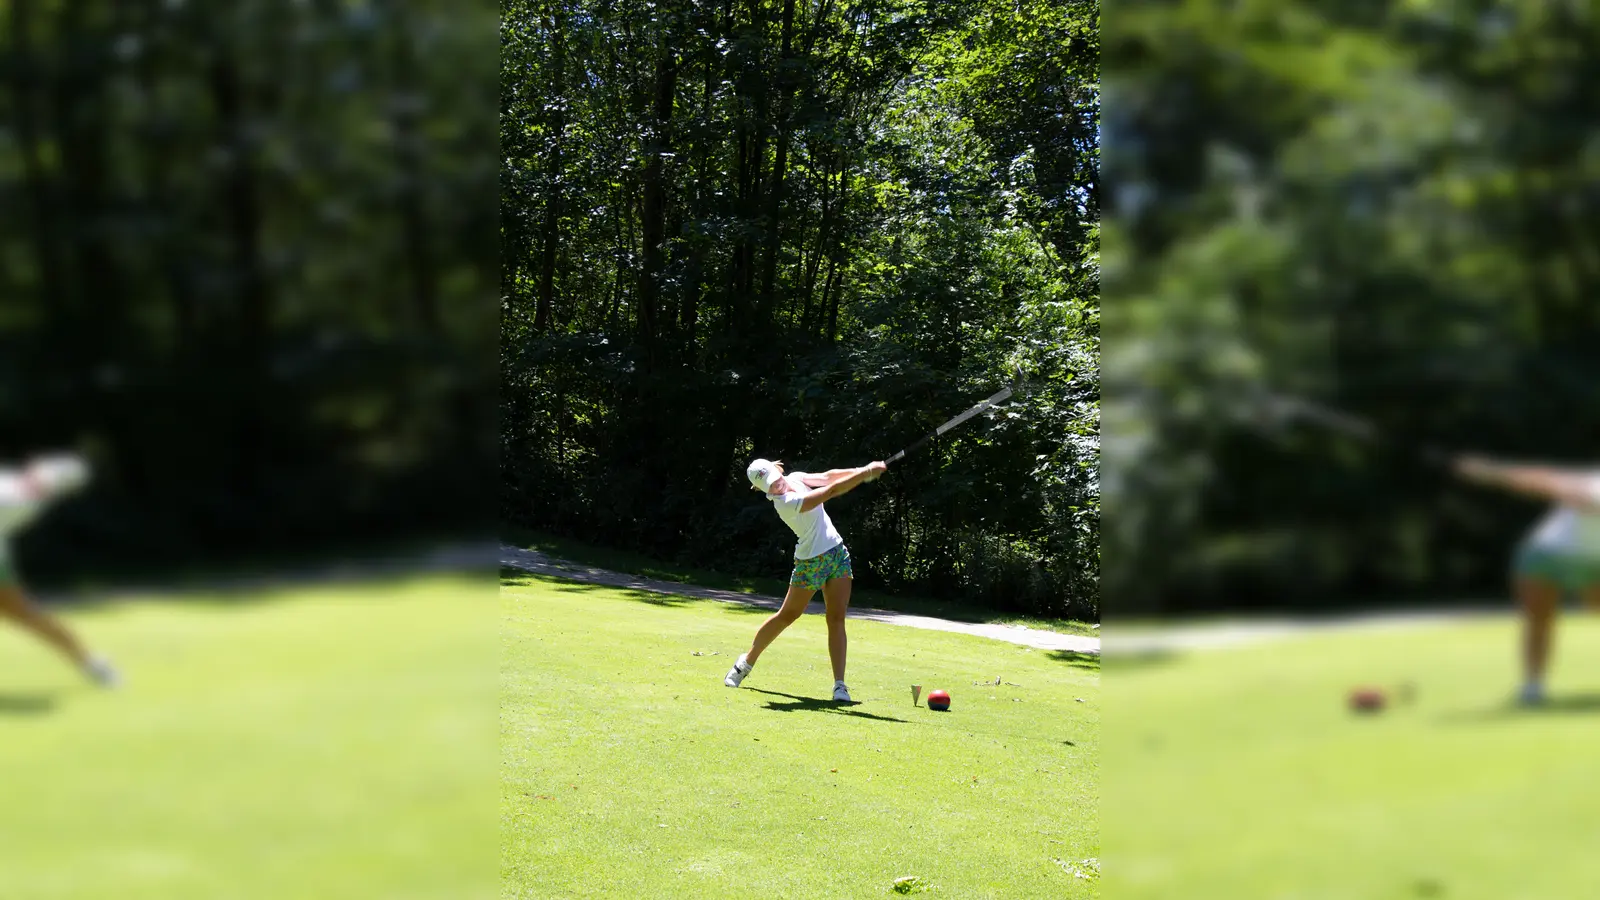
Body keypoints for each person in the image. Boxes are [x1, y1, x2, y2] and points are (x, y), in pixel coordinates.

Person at [724, 458, 887, 702]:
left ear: (778, 469)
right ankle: (746, 662)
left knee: (836, 618)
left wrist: (860, 470)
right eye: (770, 486)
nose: (777, 486)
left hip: (837, 553)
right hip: (810, 562)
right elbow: (829, 491)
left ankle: (840, 686)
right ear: (762, 490)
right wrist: (864, 474)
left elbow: (827, 477)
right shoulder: (785, 504)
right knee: (788, 615)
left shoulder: (796, 478)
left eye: (776, 479)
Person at [1454, 454, 1600, 705]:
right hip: (1545, 555)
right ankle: (1533, 687)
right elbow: (1542, 479)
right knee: (1539, 620)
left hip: (1594, 562)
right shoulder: (1594, 481)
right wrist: (1489, 472)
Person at [0, 453, 120, 688]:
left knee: (25, 614)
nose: (36, 472)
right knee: (27, 614)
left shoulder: (20, 499)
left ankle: (92, 663)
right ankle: (92, 663)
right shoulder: (13, 483)